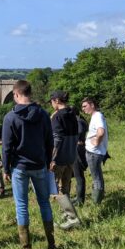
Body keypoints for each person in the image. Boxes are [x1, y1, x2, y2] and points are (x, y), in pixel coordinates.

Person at [2, 80, 55, 249]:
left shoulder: (10, 117)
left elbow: (7, 146)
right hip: (40, 165)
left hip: (20, 167)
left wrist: (5, 167)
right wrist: (47, 162)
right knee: (44, 203)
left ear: (16, 94)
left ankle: (26, 246)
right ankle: (51, 243)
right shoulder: (44, 114)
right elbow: (50, 141)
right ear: (29, 93)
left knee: (21, 205)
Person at [49, 91, 82, 230]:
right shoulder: (72, 114)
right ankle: (66, 215)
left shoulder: (58, 117)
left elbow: (57, 139)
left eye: (51, 101)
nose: (51, 104)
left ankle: (72, 218)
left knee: (54, 189)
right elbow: (76, 135)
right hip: (71, 157)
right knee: (65, 187)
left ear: (56, 100)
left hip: (60, 158)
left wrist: (52, 159)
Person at [81, 97, 109, 204]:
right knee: (97, 177)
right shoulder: (96, 116)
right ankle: (97, 200)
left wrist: (96, 141)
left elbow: (101, 132)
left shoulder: (97, 116)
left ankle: (96, 203)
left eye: (85, 106)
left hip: (94, 153)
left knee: (96, 178)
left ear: (92, 105)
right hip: (95, 152)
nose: (83, 109)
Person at [72, 107, 89, 206]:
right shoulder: (79, 121)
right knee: (78, 175)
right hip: (78, 148)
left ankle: (80, 200)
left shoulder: (79, 122)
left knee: (79, 176)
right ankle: (78, 198)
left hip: (78, 150)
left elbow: (79, 134)